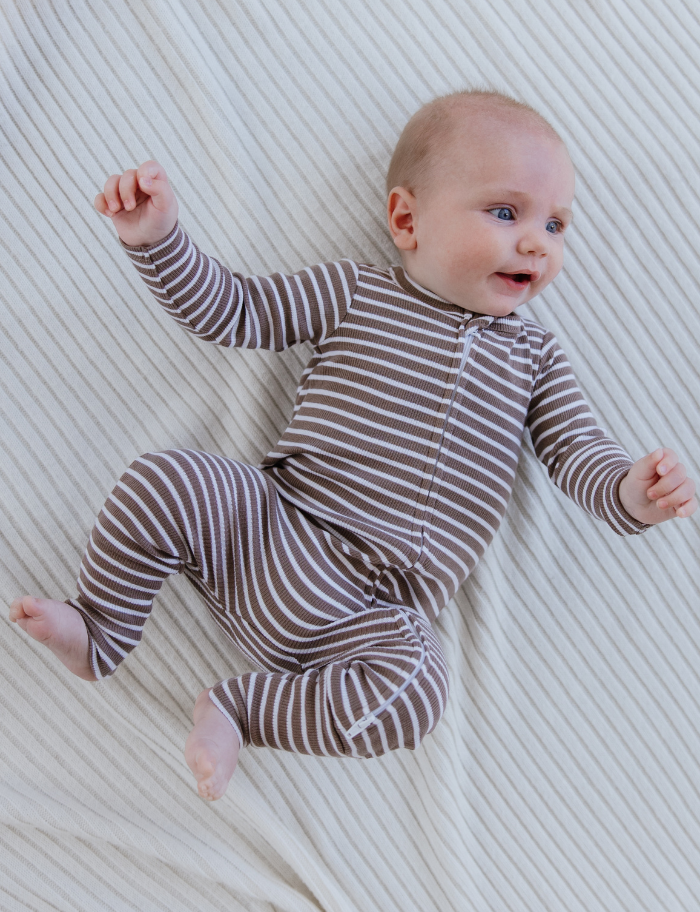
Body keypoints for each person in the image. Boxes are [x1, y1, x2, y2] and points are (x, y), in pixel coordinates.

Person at [10, 91, 696, 802]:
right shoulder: (355, 293)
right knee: (167, 479)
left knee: (420, 687)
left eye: (556, 225)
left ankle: (241, 709)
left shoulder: (535, 358)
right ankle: (99, 631)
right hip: (272, 532)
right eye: (505, 212)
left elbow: (578, 457)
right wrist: (158, 241)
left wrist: (632, 495)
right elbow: (235, 310)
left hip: (369, 618)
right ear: (407, 219)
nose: (537, 243)